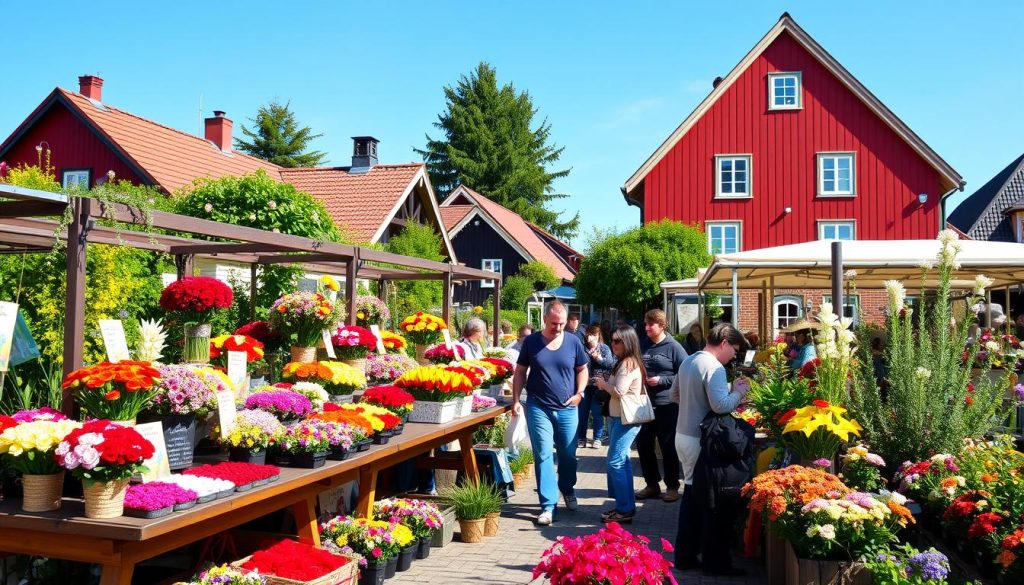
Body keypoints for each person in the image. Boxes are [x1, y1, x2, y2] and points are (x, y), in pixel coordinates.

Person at [671, 322, 750, 576]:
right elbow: (720, 406)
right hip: (701, 441)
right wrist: (738, 393)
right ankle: (715, 563)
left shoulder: (690, 360)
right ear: (724, 342)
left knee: (693, 497)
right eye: (734, 350)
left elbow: (675, 395)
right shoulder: (714, 367)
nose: (734, 356)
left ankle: (685, 556)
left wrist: (697, 401)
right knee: (713, 502)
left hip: (683, 435)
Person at [511, 301, 589, 526]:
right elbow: (520, 372)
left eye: (562, 324)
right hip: (538, 406)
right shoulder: (532, 342)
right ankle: (547, 505)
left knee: (568, 454)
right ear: (545, 319)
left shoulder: (573, 342)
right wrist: (517, 400)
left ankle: (567, 487)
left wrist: (580, 393)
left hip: (568, 408)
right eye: (554, 323)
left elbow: (582, 369)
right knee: (543, 453)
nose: (558, 328)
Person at [594, 325, 647, 524]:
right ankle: (625, 507)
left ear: (628, 342)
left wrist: (603, 384)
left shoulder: (628, 364)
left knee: (615, 462)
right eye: (612, 340)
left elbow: (619, 392)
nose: (613, 344)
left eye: (618, 341)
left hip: (626, 419)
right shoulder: (626, 362)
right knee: (622, 462)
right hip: (621, 418)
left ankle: (624, 509)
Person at [636, 309, 689, 503]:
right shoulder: (643, 345)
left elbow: (684, 373)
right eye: (646, 324)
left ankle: (673, 486)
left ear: (662, 325)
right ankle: (652, 484)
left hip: (667, 404)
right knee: (643, 445)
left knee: (668, 446)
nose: (647, 327)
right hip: (644, 404)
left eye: (651, 324)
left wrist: (662, 380)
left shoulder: (673, 347)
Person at [578, 325, 616, 449]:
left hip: (599, 386)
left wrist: (598, 358)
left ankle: (597, 438)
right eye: (589, 334)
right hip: (584, 385)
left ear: (598, 336)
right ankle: (581, 437)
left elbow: (610, 364)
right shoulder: (582, 348)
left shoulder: (604, 348)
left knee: (597, 413)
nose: (591, 337)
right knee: (582, 413)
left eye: (594, 335)